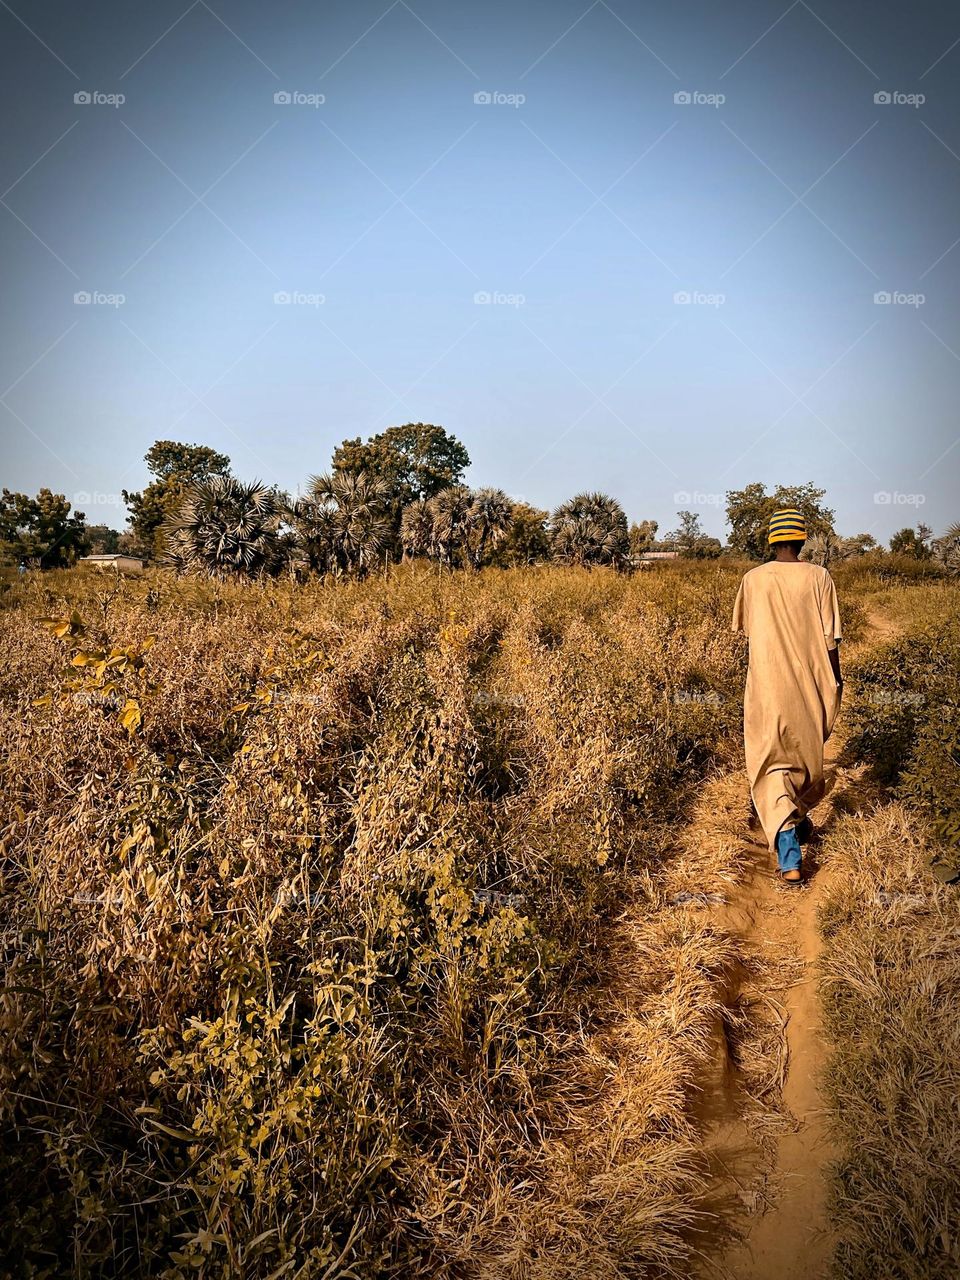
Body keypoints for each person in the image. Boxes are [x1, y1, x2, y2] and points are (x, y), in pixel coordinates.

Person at [731, 507, 843, 885]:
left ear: (773, 541)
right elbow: (830, 639)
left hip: (766, 685)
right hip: (809, 684)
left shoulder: (753, 579)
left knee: (770, 764)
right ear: (801, 541)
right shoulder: (819, 577)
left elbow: (749, 635)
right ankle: (792, 843)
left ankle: (792, 842)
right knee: (804, 759)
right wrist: (835, 681)